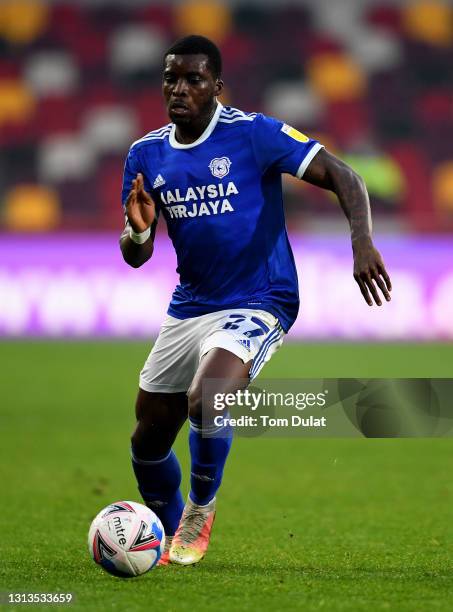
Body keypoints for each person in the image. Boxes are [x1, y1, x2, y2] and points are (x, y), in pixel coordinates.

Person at [120, 35, 392, 566]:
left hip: (260, 297)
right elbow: (136, 254)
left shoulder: (254, 135)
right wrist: (137, 233)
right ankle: (171, 533)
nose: (179, 89)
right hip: (192, 304)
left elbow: (345, 174)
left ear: (216, 87)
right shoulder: (145, 154)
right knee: (148, 440)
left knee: (211, 395)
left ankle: (200, 511)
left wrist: (361, 241)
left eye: (193, 79)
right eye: (171, 78)